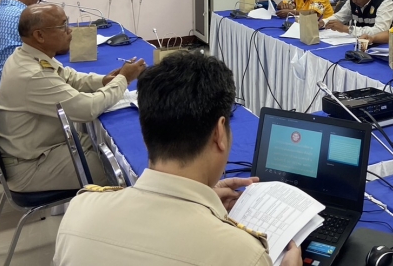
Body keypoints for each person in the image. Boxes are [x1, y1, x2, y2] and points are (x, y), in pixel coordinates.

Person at [53, 51, 302, 266]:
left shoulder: (80, 211)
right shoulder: (245, 254)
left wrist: (203, 199)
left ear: (146, 131)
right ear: (219, 133)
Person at [0, 4, 145, 192]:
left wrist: (104, 80)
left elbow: (69, 77)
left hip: (41, 146)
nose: (69, 30)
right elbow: (87, 109)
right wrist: (124, 79)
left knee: (108, 148)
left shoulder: (27, 54)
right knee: (122, 173)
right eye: (62, 26)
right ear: (39, 35)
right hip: (31, 165)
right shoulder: (33, 74)